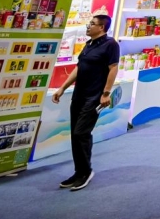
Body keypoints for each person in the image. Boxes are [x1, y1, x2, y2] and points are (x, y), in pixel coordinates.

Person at [52, 14, 120, 190]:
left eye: (92, 24)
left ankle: (86, 172)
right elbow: (79, 67)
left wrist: (106, 93)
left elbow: (113, 68)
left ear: (102, 28)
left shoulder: (111, 44)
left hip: (94, 96)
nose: (88, 26)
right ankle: (79, 171)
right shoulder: (89, 44)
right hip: (79, 95)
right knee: (75, 134)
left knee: (81, 133)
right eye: (89, 23)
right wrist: (62, 87)